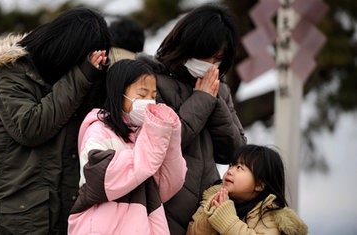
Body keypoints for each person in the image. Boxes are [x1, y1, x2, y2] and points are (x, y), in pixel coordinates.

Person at [0, 7, 111, 234]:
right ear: (69, 48)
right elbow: (31, 127)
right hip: (22, 219)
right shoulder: (14, 73)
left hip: (65, 214)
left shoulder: (77, 84)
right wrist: (81, 76)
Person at [137, 3, 247, 234]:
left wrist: (214, 100)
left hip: (206, 212)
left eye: (217, 59)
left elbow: (235, 151)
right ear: (187, 45)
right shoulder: (148, 79)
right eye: (205, 55)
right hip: (160, 209)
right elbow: (162, 146)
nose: (210, 65)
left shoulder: (220, 88)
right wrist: (203, 99)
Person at [68, 59, 187, 235]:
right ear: (119, 93)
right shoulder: (98, 130)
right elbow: (101, 177)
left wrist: (171, 132)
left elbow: (170, 184)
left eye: (153, 96)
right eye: (142, 94)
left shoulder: (146, 134)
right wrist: (151, 146)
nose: (148, 102)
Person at [187, 144, 308, 234]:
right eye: (231, 165)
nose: (230, 171)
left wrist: (227, 219)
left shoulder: (269, 217)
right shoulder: (214, 198)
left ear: (259, 184)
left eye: (239, 167)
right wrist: (213, 214)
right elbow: (192, 233)